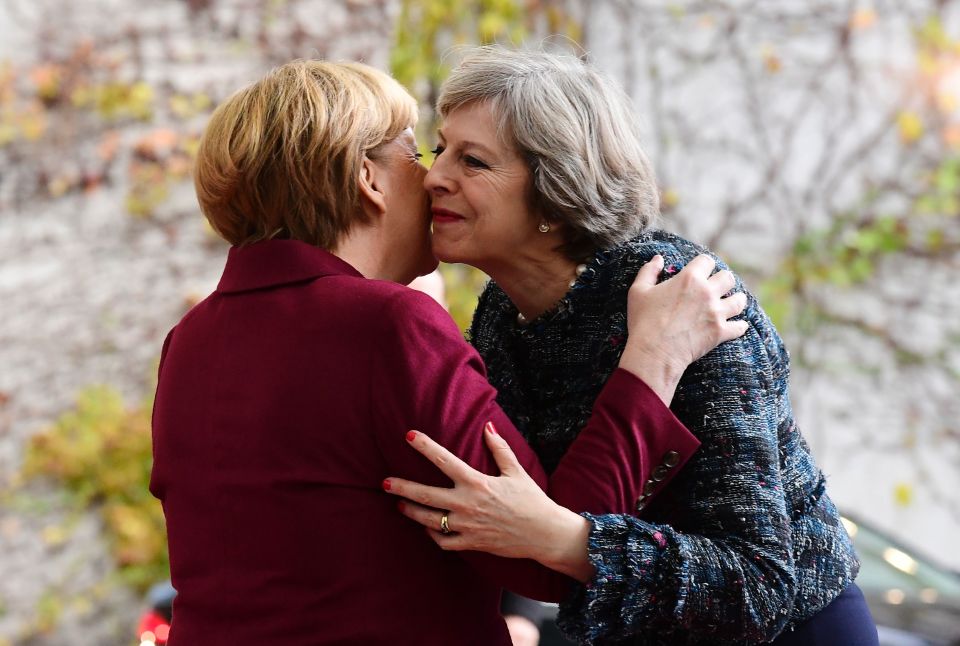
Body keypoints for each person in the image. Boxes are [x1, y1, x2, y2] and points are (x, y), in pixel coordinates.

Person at [149, 59, 747, 645]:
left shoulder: (190, 339)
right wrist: (653, 361)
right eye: (416, 153)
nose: (433, 178)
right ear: (369, 178)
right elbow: (546, 553)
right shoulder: (388, 325)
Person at [383, 46, 879, 645]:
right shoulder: (499, 316)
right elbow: (525, 511)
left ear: (553, 192)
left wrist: (566, 539)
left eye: (475, 161)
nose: (435, 176)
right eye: (442, 150)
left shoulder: (683, 294)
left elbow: (756, 584)